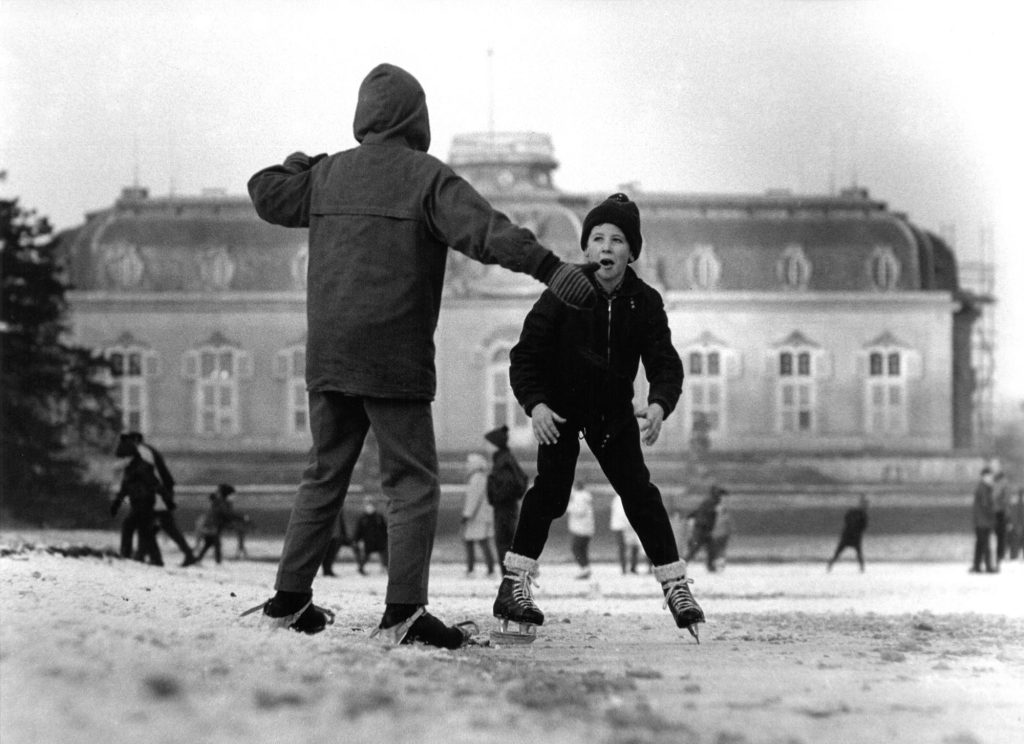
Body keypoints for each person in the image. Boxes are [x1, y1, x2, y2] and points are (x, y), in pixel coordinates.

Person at [245, 63, 597, 648]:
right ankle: (404, 612)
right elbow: (488, 232)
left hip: (330, 355)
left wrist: (303, 164)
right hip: (393, 356)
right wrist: (550, 268)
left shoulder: (328, 175)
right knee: (410, 483)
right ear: (416, 117)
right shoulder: (426, 178)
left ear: (364, 116)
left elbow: (265, 192)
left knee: (323, 473)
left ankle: (289, 600)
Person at [491, 193, 705, 643]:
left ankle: (676, 585)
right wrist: (537, 404)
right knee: (550, 493)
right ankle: (513, 585)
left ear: (631, 252)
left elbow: (665, 363)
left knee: (640, 493)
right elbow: (524, 356)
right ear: (586, 249)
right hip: (561, 408)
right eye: (598, 238)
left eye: (618, 239)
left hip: (611, 413)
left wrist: (660, 404)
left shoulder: (644, 302)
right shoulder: (563, 292)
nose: (606, 247)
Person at [128, 432, 199, 567]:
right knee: (162, 526)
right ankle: (186, 554)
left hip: (156, 494)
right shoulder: (146, 451)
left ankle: (147, 557)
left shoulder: (142, 452)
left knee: (148, 525)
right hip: (160, 493)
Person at [110, 433, 163, 566]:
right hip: (139, 503)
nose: (122, 460)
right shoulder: (132, 468)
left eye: (124, 457)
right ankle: (155, 559)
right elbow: (124, 488)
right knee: (146, 532)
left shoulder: (142, 467)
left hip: (143, 503)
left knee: (129, 526)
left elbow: (153, 484)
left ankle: (126, 554)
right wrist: (117, 503)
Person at [485, 424, 528, 573]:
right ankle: (511, 579)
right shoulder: (506, 459)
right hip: (508, 507)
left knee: (504, 544)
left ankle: (509, 580)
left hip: (504, 508)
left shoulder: (503, 461)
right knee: (508, 544)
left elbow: (507, 484)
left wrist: (495, 497)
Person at [461, 453, 495, 577]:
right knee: (482, 542)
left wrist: (466, 515)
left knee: (473, 542)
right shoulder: (483, 478)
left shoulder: (476, 479)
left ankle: (472, 569)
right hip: (481, 516)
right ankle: (488, 569)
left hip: (476, 518)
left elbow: (472, 499)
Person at [194, 484, 243, 565]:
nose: (234, 497)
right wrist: (240, 518)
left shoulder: (221, 502)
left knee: (208, 543)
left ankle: (199, 559)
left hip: (213, 525)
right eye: (232, 495)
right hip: (213, 525)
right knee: (216, 543)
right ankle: (218, 561)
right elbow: (226, 514)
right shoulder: (222, 503)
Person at [684, 484, 729, 572]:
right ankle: (682, 566)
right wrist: (717, 510)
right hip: (702, 529)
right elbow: (707, 512)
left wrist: (689, 516)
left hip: (705, 529)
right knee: (695, 549)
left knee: (710, 548)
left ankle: (710, 566)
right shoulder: (713, 502)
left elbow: (698, 511)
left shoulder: (708, 501)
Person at [826, 494, 869, 573]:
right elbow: (862, 527)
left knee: (856, 553)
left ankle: (862, 568)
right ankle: (830, 565)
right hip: (850, 536)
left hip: (850, 536)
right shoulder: (857, 513)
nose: (866, 507)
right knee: (839, 552)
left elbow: (848, 520)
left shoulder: (856, 513)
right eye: (865, 505)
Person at [352, 496, 389, 576]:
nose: (370, 507)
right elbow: (358, 531)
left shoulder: (379, 517)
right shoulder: (362, 518)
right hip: (368, 542)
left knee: (385, 555)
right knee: (365, 556)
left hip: (380, 541)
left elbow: (384, 529)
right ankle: (361, 568)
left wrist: (386, 539)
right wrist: (356, 540)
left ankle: (386, 568)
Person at [970, 467, 996, 574]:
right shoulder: (984, 488)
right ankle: (988, 566)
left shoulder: (982, 487)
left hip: (979, 521)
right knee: (985, 544)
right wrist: (992, 516)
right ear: (984, 477)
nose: (991, 478)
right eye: (990, 476)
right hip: (983, 521)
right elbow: (986, 505)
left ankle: (976, 566)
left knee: (980, 544)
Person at [566, 481, 595, 579]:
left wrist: (569, 507)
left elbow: (579, 511)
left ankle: (584, 568)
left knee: (576, 548)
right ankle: (585, 567)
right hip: (587, 528)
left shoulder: (579, 497)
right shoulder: (586, 496)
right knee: (582, 549)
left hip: (581, 528)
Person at [609, 494, 641, 574]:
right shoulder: (619, 498)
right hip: (622, 526)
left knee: (632, 547)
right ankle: (626, 568)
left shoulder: (619, 498)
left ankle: (631, 568)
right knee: (624, 547)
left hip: (625, 525)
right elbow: (621, 513)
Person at [321, 508, 354, 577]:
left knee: (331, 555)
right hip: (327, 535)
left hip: (336, 535)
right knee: (324, 554)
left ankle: (328, 570)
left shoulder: (339, 509)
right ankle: (326, 570)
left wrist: (344, 534)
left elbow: (342, 523)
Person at [992, 468, 1009, 569]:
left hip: (998, 512)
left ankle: (998, 558)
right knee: (1001, 536)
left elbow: (996, 497)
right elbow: (1006, 500)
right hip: (1001, 512)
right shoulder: (1003, 484)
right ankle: (999, 557)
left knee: (999, 536)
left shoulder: (999, 484)